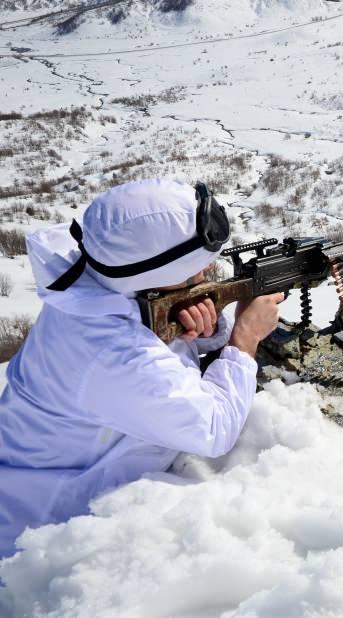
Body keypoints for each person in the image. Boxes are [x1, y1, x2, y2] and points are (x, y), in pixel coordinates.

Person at [0, 178, 283, 559]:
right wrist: (245, 338)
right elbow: (213, 429)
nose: (208, 271)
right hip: (44, 541)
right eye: (196, 269)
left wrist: (203, 328)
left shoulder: (102, 282)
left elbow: (153, 335)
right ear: (156, 277)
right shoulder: (111, 352)